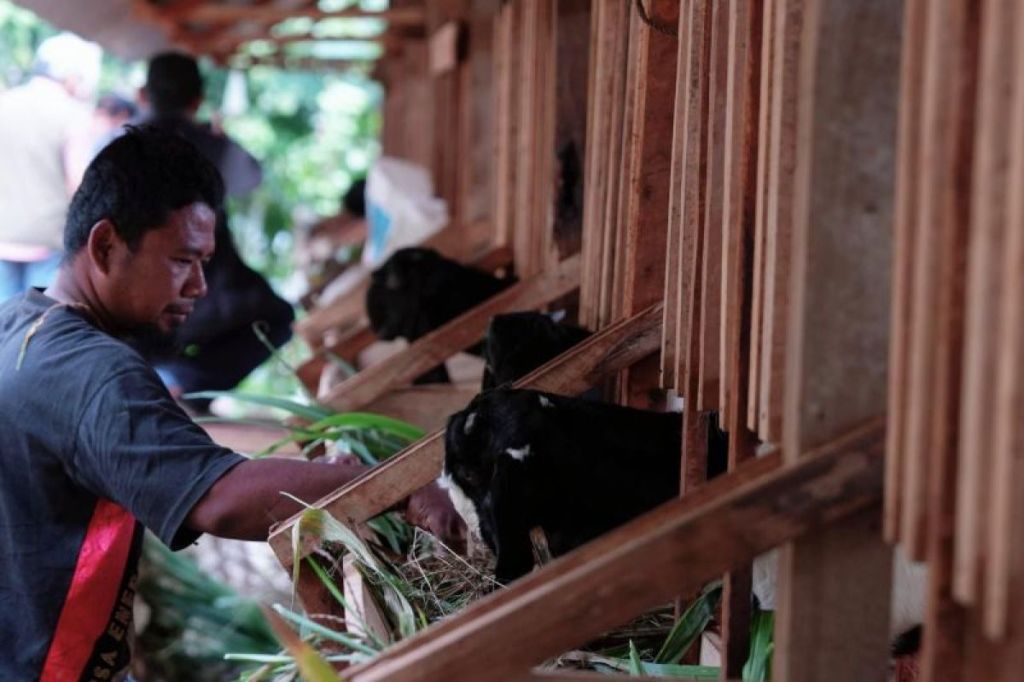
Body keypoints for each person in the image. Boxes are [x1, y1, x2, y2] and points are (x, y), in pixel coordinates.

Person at [0, 126, 462, 680]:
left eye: (204, 263)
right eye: (181, 260)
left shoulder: (18, 323)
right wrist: (398, 487)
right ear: (105, 247)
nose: (199, 286)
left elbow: (197, 467)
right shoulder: (93, 372)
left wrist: (325, 479)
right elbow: (219, 497)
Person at [126, 51, 290, 412]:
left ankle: (160, 384)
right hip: (207, 294)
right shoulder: (213, 145)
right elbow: (251, 178)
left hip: (134, 296)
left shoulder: (119, 144)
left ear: (142, 95)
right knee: (278, 318)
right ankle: (186, 383)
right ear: (198, 100)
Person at [0, 32, 102, 301]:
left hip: (2, 239)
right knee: (39, 321)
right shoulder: (72, 115)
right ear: (70, 75)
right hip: (49, 244)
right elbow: (79, 185)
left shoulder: (5, 104)